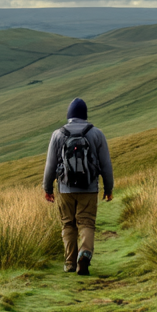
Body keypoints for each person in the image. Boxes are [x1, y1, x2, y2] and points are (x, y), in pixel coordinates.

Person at [42, 97, 113, 276]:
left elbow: (50, 165)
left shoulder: (58, 134)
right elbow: (106, 164)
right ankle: (85, 253)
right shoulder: (97, 133)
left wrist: (48, 189)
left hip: (65, 189)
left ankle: (70, 263)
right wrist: (109, 188)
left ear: (69, 115)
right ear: (85, 114)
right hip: (89, 188)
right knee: (87, 222)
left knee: (68, 224)